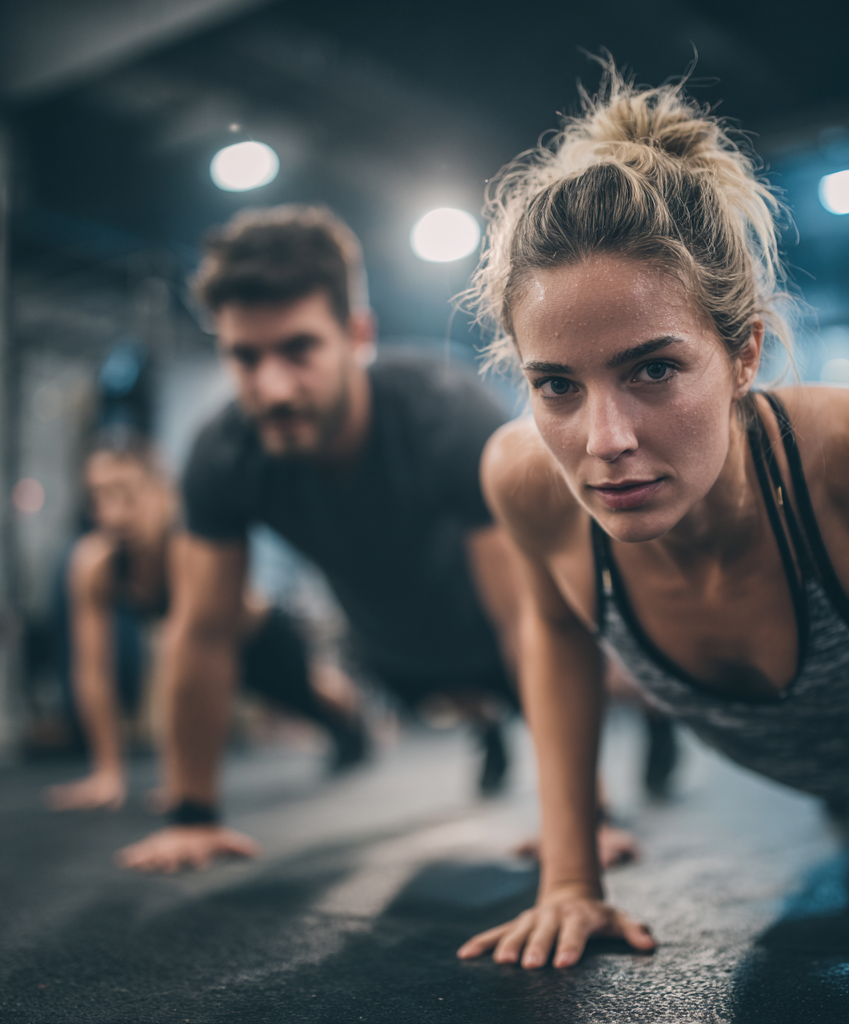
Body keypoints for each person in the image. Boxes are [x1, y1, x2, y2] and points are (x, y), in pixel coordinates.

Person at [455, 69, 849, 976]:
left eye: (652, 370)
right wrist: (569, 879)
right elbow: (555, 637)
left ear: (745, 351)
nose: (604, 441)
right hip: (819, 775)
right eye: (556, 383)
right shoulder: (522, 478)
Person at [116, 205, 641, 873]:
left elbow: (526, 623)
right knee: (274, 641)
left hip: (493, 631)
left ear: (357, 334)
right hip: (387, 651)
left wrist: (585, 821)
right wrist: (191, 815)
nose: (273, 388)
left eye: (298, 350)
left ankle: (643, 717)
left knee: (612, 668)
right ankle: (478, 726)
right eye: (245, 358)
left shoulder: (444, 414)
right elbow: (204, 632)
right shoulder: (224, 454)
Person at [44, 431, 365, 813]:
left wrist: (186, 783)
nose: (113, 513)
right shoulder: (93, 562)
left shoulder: (185, 543)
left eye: (126, 494)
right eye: (99, 497)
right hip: (205, 654)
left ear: (160, 490)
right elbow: (93, 672)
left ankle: (360, 721)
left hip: (261, 640)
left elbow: (185, 659)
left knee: (322, 700)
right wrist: (108, 774)